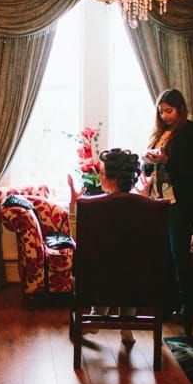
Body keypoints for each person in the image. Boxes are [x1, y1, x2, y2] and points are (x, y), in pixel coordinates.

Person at [140, 88, 193, 336]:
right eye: (161, 112)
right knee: (164, 255)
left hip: (181, 201)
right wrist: (148, 161)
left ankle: (188, 308)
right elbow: (148, 169)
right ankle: (168, 305)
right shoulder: (160, 133)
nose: (165, 115)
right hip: (159, 200)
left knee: (179, 253)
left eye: (169, 111)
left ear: (180, 108)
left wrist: (166, 160)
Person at [68, 148, 142, 345]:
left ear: (114, 179)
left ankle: (95, 318)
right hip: (139, 280)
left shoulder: (95, 206)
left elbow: (76, 237)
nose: (98, 176)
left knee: (106, 265)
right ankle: (126, 325)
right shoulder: (146, 206)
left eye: (101, 172)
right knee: (130, 264)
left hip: (101, 279)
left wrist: (73, 205)